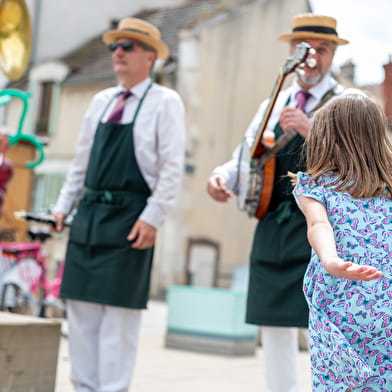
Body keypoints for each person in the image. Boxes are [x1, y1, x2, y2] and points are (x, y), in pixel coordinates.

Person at [206, 13, 360, 392]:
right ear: (291, 52)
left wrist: (313, 130)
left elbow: (365, 167)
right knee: (274, 328)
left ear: (332, 55)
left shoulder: (348, 101)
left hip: (328, 230)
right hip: (275, 224)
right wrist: (223, 177)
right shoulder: (275, 101)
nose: (311, 57)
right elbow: (247, 154)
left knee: (328, 330)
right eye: (304, 48)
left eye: (321, 49)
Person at [52, 17, 185, 392]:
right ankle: (82, 387)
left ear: (150, 57)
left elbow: (171, 168)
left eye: (128, 46)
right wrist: (63, 206)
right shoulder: (100, 101)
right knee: (79, 313)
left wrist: (153, 217)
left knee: (118, 322)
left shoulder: (165, 102)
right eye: (115, 47)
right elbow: (80, 163)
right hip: (89, 215)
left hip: (131, 217)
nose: (119, 53)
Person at [292, 94, 391, 392]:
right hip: (386, 308)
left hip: (339, 307)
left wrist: (330, 261)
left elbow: (318, 224)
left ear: (325, 136)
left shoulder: (315, 185)